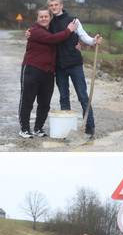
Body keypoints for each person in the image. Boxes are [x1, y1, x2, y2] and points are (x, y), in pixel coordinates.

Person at [47, 0, 103, 138]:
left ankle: (90, 128)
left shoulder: (74, 20)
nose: (54, 7)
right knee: (63, 97)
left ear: (61, 5)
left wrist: (93, 40)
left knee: (83, 97)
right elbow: (44, 38)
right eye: (51, 5)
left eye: (56, 4)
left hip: (74, 64)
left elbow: (84, 37)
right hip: (59, 66)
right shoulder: (50, 23)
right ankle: (67, 129)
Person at [18, 9, 78, 138]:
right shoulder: (34, 31)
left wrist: (78, 43)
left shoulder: (51, 30)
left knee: (45, 103)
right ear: (37, 18)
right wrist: (69, 30)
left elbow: (61, 40)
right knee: (27, 101)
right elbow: (53, 39)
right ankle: (24, 129)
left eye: (46, 16)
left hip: (48, 72)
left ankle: (38, 128)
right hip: (32, 70)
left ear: (50, 18)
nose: (44, 18)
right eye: (41, 16)